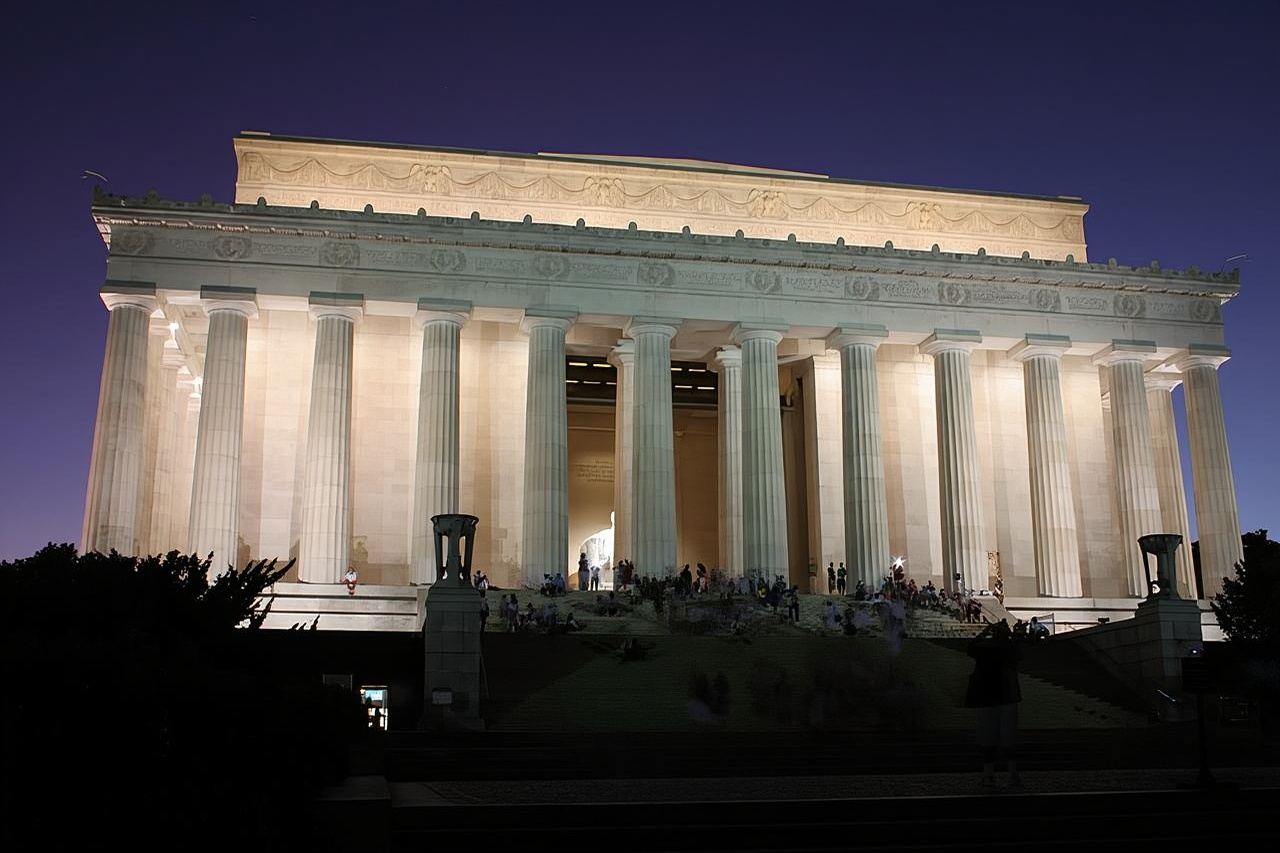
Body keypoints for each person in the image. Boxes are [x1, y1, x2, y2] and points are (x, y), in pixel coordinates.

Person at [966, 621, 1022, 789]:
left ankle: (989, 775)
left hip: (987, 698)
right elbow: (1019, 653)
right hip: (1007, 697)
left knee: (987, 738)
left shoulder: (985, 647)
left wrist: (984, 632)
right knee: (1009, 739)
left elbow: (970, 647)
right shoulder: (1010, 649)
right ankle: (1012, 775)